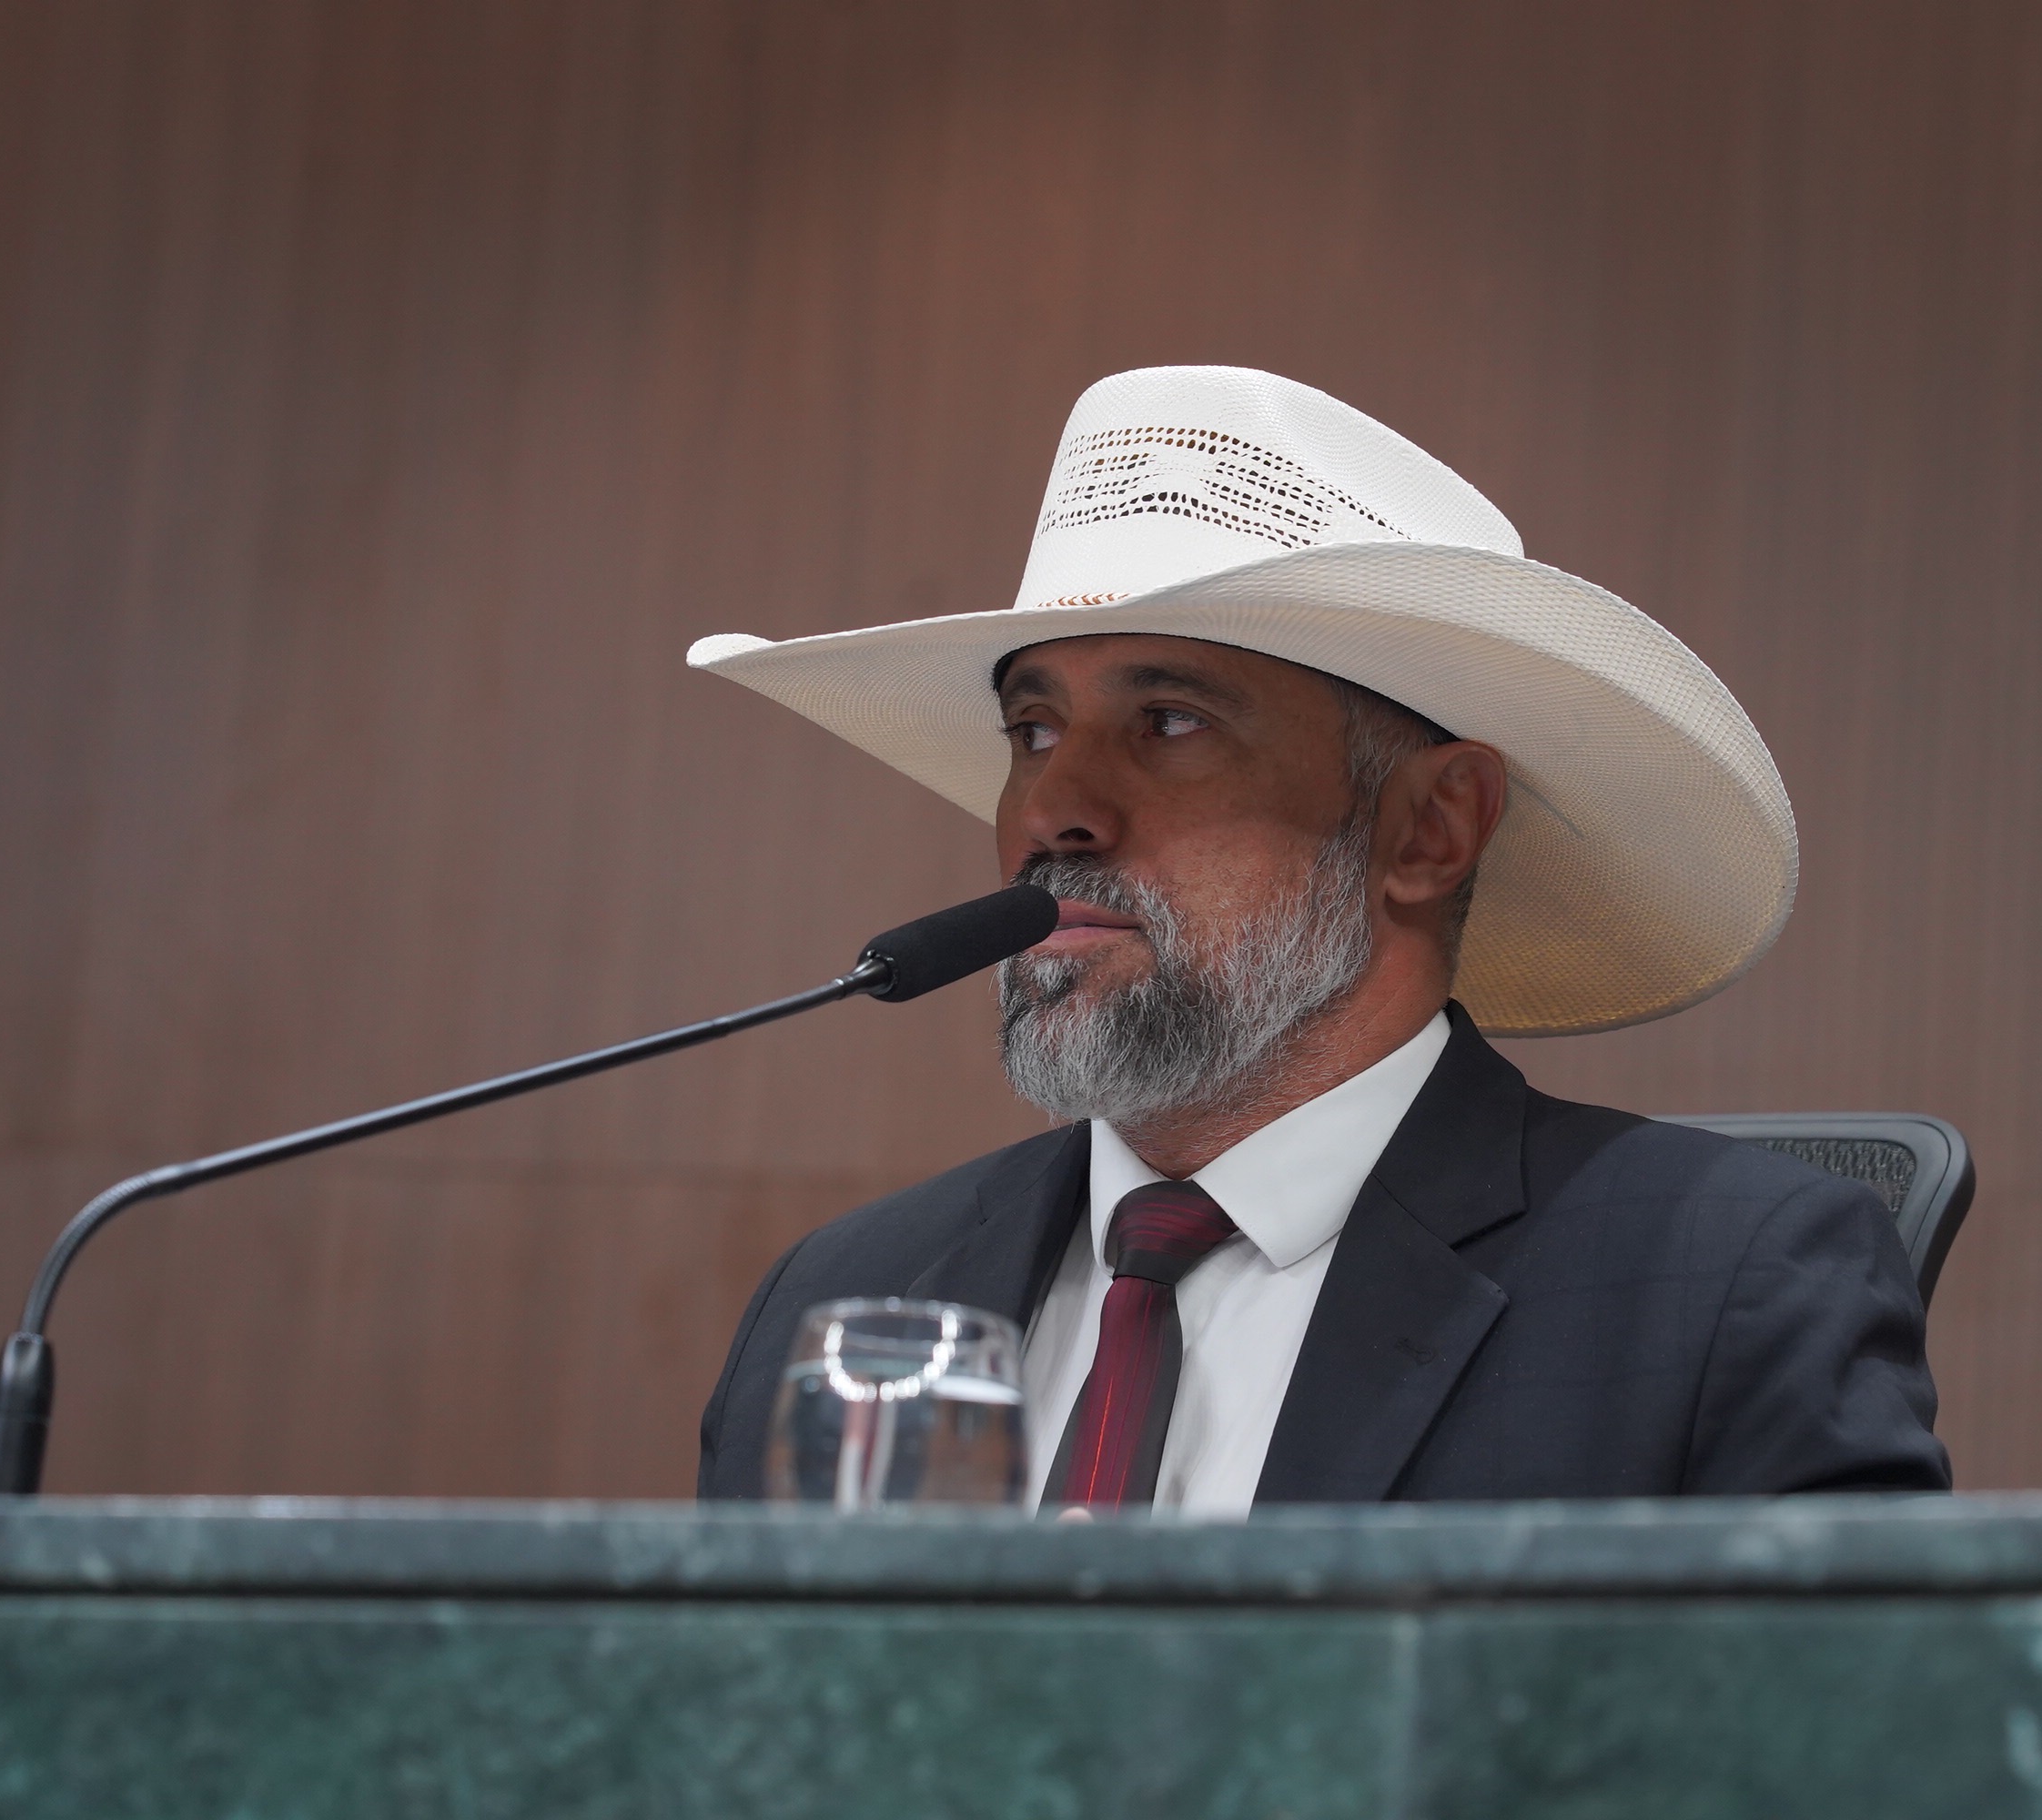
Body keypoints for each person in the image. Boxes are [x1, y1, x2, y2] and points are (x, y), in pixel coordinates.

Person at [689, 366, 1948, 1512]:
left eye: (1169, 722)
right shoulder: (844, 1301)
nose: (1053, 812)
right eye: (1033, 730)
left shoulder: (1726, 1283)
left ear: (1430, 829)